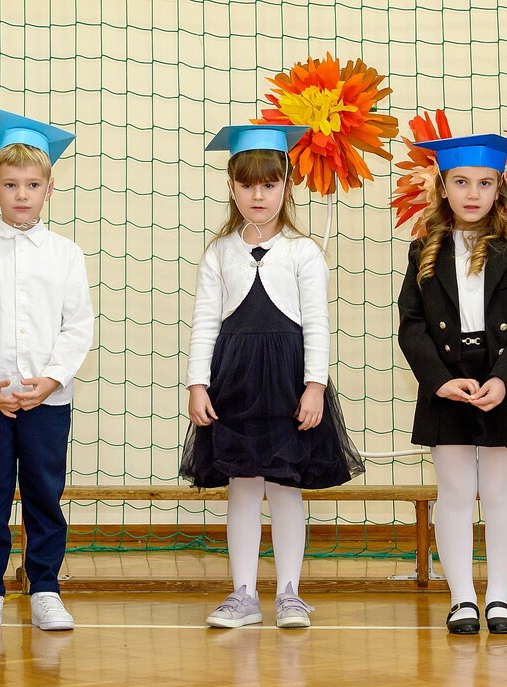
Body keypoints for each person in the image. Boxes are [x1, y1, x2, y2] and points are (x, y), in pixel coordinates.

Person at [180, 124, 363, 629]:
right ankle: (242, 594)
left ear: (287, 184)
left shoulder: (304, 252)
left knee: (285, 488)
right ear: (231, 187)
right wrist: (198, 384)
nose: (257, 195)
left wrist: (315, 386)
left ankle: (289, 593)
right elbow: (205, 322)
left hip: (287, 383)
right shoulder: (219, 253)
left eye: (269, 184)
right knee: (242, 486)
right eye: (246, 185)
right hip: (234, 382)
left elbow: (317, 323)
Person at [0, 109, 94, 631]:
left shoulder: (66, 255)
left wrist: (51, 379)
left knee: (43, 495)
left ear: (50, 188)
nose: (22, 195)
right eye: (11, 185)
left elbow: (77, 326)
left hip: (47, 401)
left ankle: (45, 587)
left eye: (32, 185)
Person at [397, 134, 507, 635]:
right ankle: (462, 599)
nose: (472, 193)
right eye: (461, 182)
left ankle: (500, 598)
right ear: (443, 187)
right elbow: (410, 325)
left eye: (485, 183)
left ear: (499, 188)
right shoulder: (423, 250)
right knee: (456, 492)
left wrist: (504, 379)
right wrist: (439, 382)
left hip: (504, 377)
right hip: (447, 379)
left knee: (501, 492)